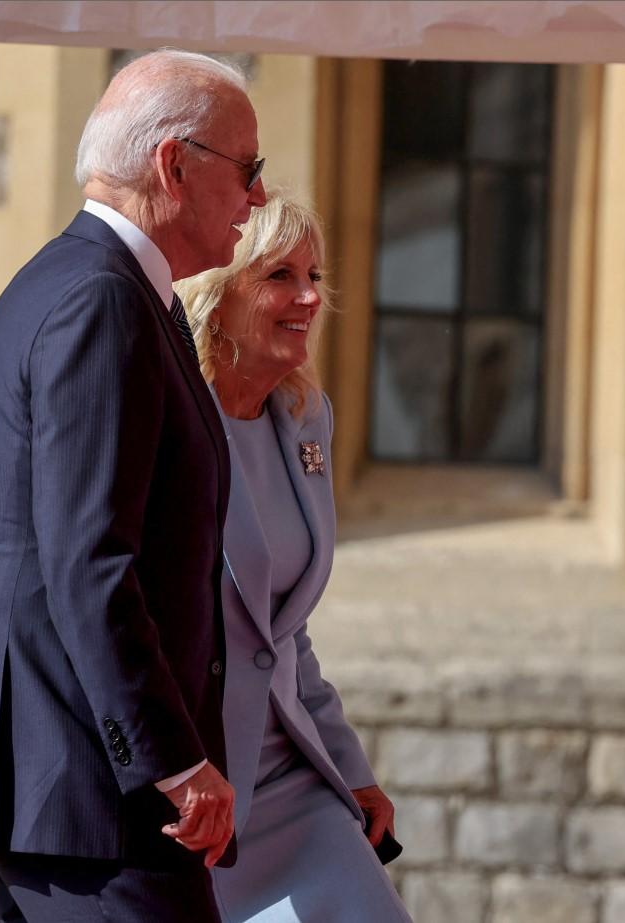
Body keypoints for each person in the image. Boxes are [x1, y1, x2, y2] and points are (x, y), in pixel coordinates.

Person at [0, 50, 268, 922]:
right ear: (173, 164)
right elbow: (89, 560)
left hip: (72, 780)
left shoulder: (100, 286)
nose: (258, 200)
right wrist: (173, 759)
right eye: (249, 170)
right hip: (89, 786)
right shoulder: (100, 299)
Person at [177, 189, 411, 923]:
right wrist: (175, 771)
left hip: (294, 781)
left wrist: (350, 768)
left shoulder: (305, 415)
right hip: (200, 790)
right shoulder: (173, 420)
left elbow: (283, 630)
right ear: (219, 295)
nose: (310, 296)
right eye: (279, 275)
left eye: (315, 275)